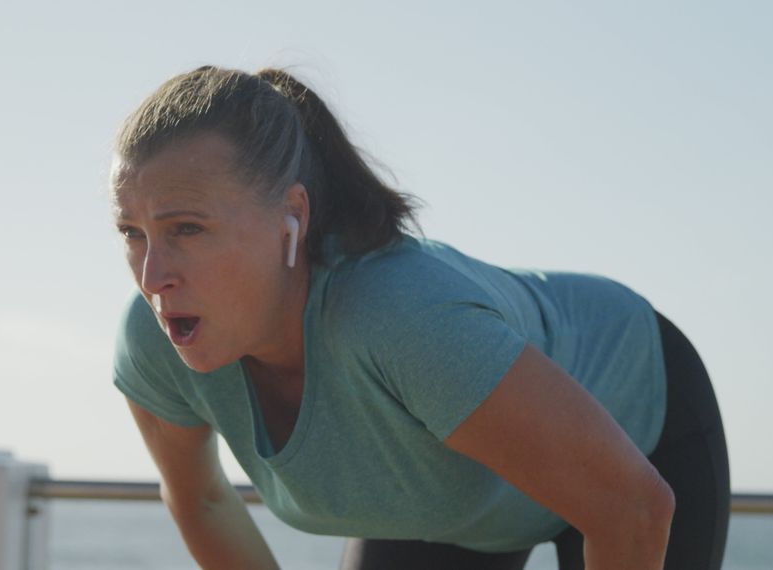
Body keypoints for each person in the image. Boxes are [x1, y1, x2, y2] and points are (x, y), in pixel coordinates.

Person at [110, 65, 730, 570]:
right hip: (454, 509)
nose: (152, 274)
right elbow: (202, 502)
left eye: (187, 228)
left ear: (289, 218)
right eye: (132, 233)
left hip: (636, 424)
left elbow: (632, 507)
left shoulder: (397, 319)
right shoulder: (155, 337)